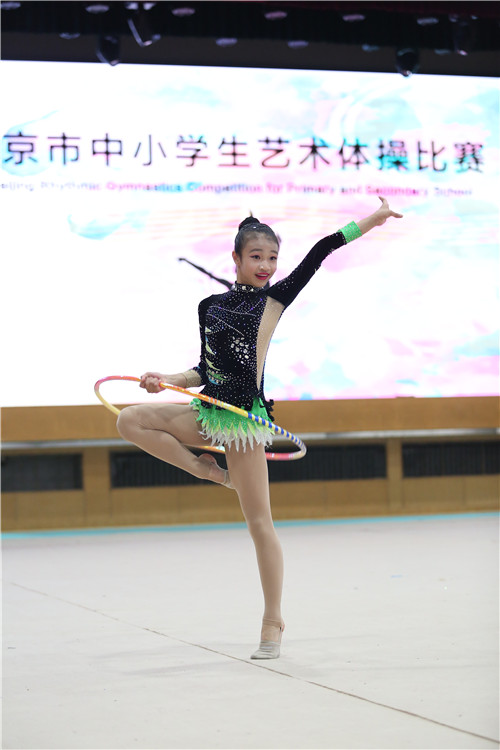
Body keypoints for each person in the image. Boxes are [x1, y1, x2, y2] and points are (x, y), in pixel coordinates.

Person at [116, 196, 403, 659]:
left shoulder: (274, 300)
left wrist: (372, 219)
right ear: (235, 258)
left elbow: (323, 249)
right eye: (256, 256)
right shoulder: (209, 306)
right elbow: (204, 370)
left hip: (243, 424)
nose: (266, 266)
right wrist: (165, 379)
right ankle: (207, 471)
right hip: (206, 413)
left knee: (259, 524)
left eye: (272, 257)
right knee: (130, 419)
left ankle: (273, 621)